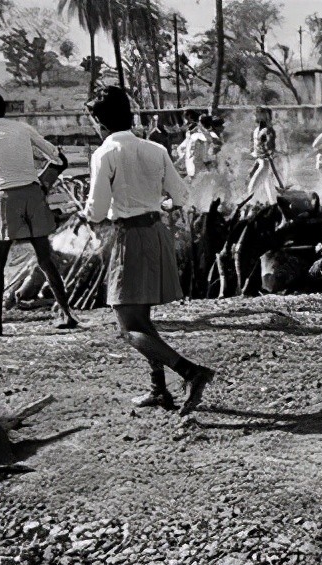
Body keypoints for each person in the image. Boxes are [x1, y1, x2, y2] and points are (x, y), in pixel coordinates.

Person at [82, 85, 214, 414]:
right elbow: (181, 196)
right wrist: (154, 203)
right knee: (143, 321)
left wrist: (87, 214)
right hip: (156, 233)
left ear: (100, 120)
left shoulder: (105, 153)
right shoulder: (155, 149)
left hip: (130, 238)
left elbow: (97, 211)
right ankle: (159, 390)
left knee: (128, 329)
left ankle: (191, 372)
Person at [0, 91, 78, 336]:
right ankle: (67, 313)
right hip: (33, 194)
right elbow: (58, 158)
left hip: (6, 197)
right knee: (45, 258)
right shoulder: (23, 129)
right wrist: (43, 180)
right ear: (5, 108)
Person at [246, 108, 281, 204]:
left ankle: (249, 206)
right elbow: (255, 150)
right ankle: (273, 207)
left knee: (252, 187)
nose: (256, 116)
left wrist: (267, 145)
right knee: (270, 190)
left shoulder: (268, 131)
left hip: (266, 162)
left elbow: (270, 147)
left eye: (259, 114)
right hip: (260, 161)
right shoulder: (256, 130)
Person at [176, 113, 211, 178]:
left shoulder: (200, 134)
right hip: (195, 157)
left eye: (200, 122)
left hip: (197, 158)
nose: (199, 123)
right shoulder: (197, 130)